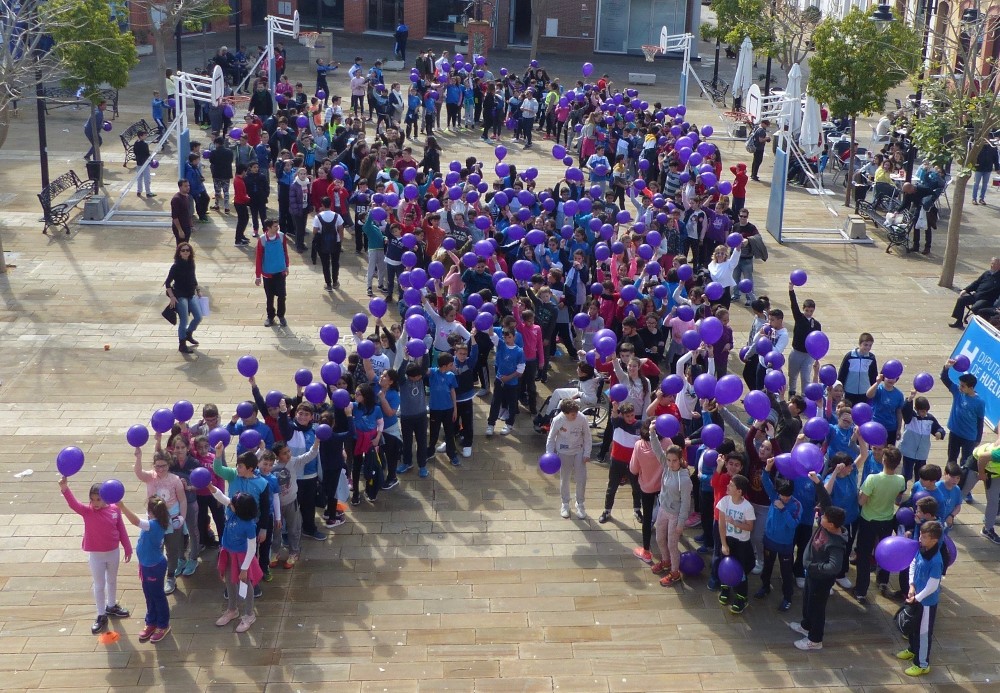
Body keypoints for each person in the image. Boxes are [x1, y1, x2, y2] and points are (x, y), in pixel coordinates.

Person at [59, 475, 132, 635]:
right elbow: (74, 504)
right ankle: (101, 614)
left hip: (113, 552)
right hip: (96, 555)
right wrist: (65, 489)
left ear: (106, 498)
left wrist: (127, 547)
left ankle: (111, 605)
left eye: (98, 499)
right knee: (99, 585)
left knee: (111, 580)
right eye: (92, 500)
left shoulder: (115, 510)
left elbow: (121, 529)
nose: (95, 503)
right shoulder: (87, 511)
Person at [788, 471, 847, 651]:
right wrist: (817, 482)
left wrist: (814, 567)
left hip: (820, 579)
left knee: (817, 608)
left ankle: (815, 639)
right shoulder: (830, 519)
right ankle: (806, 626)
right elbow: (825, 500)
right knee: (807, 601)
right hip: (812, 575)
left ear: (832, 525)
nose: (821, 517)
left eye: (824, 518)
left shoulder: (836, 544)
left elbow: (834, 566)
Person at [853, 443, 906, 604]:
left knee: (863, 556)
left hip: (868, 520)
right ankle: (883, 581)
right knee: (884, 552)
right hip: (887, 521)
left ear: (883, 460)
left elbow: (861, 501)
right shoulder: (901, 480)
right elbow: (898, 498)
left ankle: (861, 590)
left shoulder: (872, 479)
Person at [209, 484, 264, 633]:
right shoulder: (234, 511)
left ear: (239, 508)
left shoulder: (249, 525)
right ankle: (232, 609)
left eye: (233, 503)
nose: (229, 504)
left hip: (242, 557)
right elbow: (222, 497)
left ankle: (249, 614)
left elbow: (252, 548)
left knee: (245, 586)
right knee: (229, 580)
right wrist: (210, 487)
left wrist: (245, 568)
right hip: (228, 553)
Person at [117, 496, 171, 644]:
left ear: (152, 512)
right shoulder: (155, 523)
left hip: (154, 567)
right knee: (149, 594)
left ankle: (163, 625)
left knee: (157, 596)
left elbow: (135, 521)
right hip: (147, 567)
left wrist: (122, 507)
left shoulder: (152, 525)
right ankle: (151, 621)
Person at [896, 520, 944, 676]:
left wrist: (917, 597)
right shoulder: (922, 549)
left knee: (924, 633)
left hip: (926, 603)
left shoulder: (936, 560)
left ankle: (922, 663)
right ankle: (912, 649)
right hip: (915, 597)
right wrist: (911, 586)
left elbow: (933, 585)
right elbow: (913, 564)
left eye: (924, 537)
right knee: (913, 628)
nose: (920, 539)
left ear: (934, 540)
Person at [756, 459, 802, 612]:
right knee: (767, 567)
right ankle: (765, 587)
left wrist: (783, 510)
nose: (784, 499)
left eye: (787, 496)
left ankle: (787, 597)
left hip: (785, 545)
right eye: (782, 496)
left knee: (786, 572)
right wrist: (768, 467)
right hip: (769, 540)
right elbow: (765, 480)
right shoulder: (774, 496)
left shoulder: (796, 505)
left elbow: (794, 524)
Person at [717, 473, 756, 614]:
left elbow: (750, 527)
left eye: (731, 485)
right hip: (728, 541)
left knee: (740, 571)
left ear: (739, 491)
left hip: (742, 544)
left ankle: (741, 598)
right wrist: (723, 543)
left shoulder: (747, 507)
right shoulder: (724, 502)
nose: (728, 486)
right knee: (725, 567)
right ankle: (725, 589)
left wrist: (735, 523)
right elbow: (721, 524)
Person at [546, 399, 592, 520]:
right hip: (563, 452)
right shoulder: (558, 420)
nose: (575, 415)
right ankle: (565, 503)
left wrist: (587, 452)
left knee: (581, 478)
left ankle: (580, 503)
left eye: (576, 413)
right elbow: (551, 438)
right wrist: (549, 455)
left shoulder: (581, 418)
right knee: (565, 478)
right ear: (565, 413)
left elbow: (587, 436)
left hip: (579, 451)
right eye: (572, 414)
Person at [941, 360, 985, 472]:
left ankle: (962, 484)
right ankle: (948, 479)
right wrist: (946, 367)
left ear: (971, 388)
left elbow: (980, 421)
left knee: (965, 463)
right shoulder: (957, 392)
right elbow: (944, 379)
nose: (960, 387)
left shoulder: (979, 402)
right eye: (960, 385)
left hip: (969, 437)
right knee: (951, 459)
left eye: (963, 386)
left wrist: (978, 439)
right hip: (955, 433)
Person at [164, 243, 204, 354]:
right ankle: (182, 344)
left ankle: (188, 334)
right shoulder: (176, 266)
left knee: (198, 317)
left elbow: (193, 278)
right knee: (184, 320)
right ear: (179, 253)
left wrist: (198, 290)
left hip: (191, 294)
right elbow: (167, 283)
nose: (185, 252)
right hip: (180, 296)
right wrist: (172, 297)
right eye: (183, 250)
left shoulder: (191, 264)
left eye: (187, 250)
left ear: (190, 252)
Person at [485, 328, 526, 436]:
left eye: (509, 337)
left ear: (514, 337)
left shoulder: (519, 351)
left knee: (512, 405)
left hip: (512, 384)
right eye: (505, 337)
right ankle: (491, 424)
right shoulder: (501, 345)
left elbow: (520, 370)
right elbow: (492, 335)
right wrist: (489, 323)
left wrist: (509, 377)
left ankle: (509, 424)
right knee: (495, 403)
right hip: (499, 381)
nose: (507, 339)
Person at [254, 219, 290, 327]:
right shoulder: (262, 240)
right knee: (269, 297)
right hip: (268, 273)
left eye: (277, 226)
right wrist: (258, 276)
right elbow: (259, 258)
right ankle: (270, 317)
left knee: (282, 295)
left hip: (280, 271)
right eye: (275, 226)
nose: (277, 228)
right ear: (268, 228)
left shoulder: (282, 236)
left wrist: (287, 266)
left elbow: (285, 251)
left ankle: (281, 315)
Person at [787, 285, 820, 397]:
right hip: (796, 352)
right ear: (803, 309)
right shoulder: (799, 318)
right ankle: (791, 395)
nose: (809, 313)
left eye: (811, 311)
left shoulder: (817, 324)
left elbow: (819, 342)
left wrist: (817, 357)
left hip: (808, 355)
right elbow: (793, 305)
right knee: (792, 375)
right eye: (807, 310)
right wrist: (791, 290)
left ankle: (804, 399)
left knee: (806, 378)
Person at [949, 257, 1000, 328]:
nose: (992, 265)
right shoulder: (987, 273)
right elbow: (976, 283)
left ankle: (980, 324)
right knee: (961, 300)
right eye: (991, 263)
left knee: (975, 308)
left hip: (986, 299)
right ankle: (958, 321)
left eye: (994, 264)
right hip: (976, 295)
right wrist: (966, 290)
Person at [838, 332, 878, 406]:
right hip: (849, 391)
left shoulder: (871, 358)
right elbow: (842, 373)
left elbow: (873, 375)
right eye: (865, 345)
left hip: (864, 392)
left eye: (870, 345)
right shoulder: (850, 356)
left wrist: (874, 390)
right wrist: (840, 388)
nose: (868, 347)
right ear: (860, 344)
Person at [170, 179, 194, 245]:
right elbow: (174, 216)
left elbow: (188, 212)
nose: (188, 187)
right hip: (180, 227)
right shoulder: (176, 199)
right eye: (185, 186)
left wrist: (191, 225)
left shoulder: (187, 196)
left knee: (186, 244)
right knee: (181, 247)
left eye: (188, 186)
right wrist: (180, 230)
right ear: (180, 187)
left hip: (187, 226)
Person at [134, 130, 154, 198]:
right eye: (144, 135)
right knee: (147, 178)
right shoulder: (145, 144)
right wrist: (151, 160)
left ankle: (139, 191)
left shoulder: (136, 143)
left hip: (139, 162)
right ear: (141, 136)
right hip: (145, 163)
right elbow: (147, 154)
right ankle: (148, 192)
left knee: (139, 178)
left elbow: (135, 152)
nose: (146, 136)